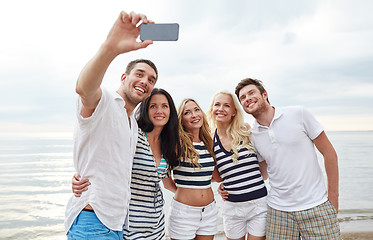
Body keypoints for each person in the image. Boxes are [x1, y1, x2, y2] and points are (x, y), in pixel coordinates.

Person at [65, 11, 158, 240]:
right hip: (92, 222)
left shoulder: (133, 125)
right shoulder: (104, 101)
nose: (145, 82)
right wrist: (111, 48)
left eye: (151, 80)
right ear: (124, 78)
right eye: (140, 74)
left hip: (116, 224)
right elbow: (84, 88)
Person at [234, 78, 341, 239]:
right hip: (278, 212)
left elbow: (329, 153)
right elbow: (262, 174)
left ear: (264, 94)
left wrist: (333, 197)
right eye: (242, 97)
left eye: (251, 93)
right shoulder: (253, 136)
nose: (247, 98)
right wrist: (227, 183)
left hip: (316, 206)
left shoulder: (299, 114)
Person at [72, 88, 181, 239]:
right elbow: (104, 157)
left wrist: (195, 196)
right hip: (129, 223)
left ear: (171, 111)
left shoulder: (168, 145)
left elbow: (167, 183)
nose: (159, 111)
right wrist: (80, 177)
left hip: (156, 223)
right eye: (153, 106)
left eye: (164, 106)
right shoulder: (134, 135)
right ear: (145, 109)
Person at [207, 90, 268, 240]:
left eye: (226, 105)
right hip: (232, 208)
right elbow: (216, 175)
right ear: (212, 109)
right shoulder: (210, 141)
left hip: (259, 205)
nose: (221, 109)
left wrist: (250, 181)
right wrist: (222, 185)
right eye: (217, 104)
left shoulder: (246, 130)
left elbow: (264, 163)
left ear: (234, 111)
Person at [167, 98, 221, 240]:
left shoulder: (208, 143)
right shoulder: (176, 145)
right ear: (181, 119)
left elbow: (216, 176)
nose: (194, 115)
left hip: (209, 211)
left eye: (197, 110)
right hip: (184, 213)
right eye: (187, 112)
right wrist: (187, 194)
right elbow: (166, 182)